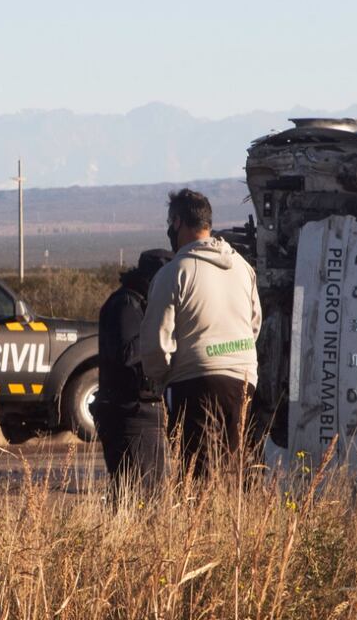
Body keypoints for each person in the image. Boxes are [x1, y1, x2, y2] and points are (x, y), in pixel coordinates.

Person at [139, 189, 262, 477]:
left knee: (197, 475)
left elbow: (157, 338)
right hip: (243, 379)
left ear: (178, 222)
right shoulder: (242, 268)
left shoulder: (174, 272)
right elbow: (255, 322)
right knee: (231, 472)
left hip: (194, 382)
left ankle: (200, 521)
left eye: (171, 222)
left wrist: (159, 377)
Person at [92, 249, 173, 499]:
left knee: (143, 492)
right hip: (129, 413)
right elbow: (127, 353)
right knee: (140, 493)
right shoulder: (127, 304)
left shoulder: (133, 303)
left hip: (135, 410)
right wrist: (162, 333)